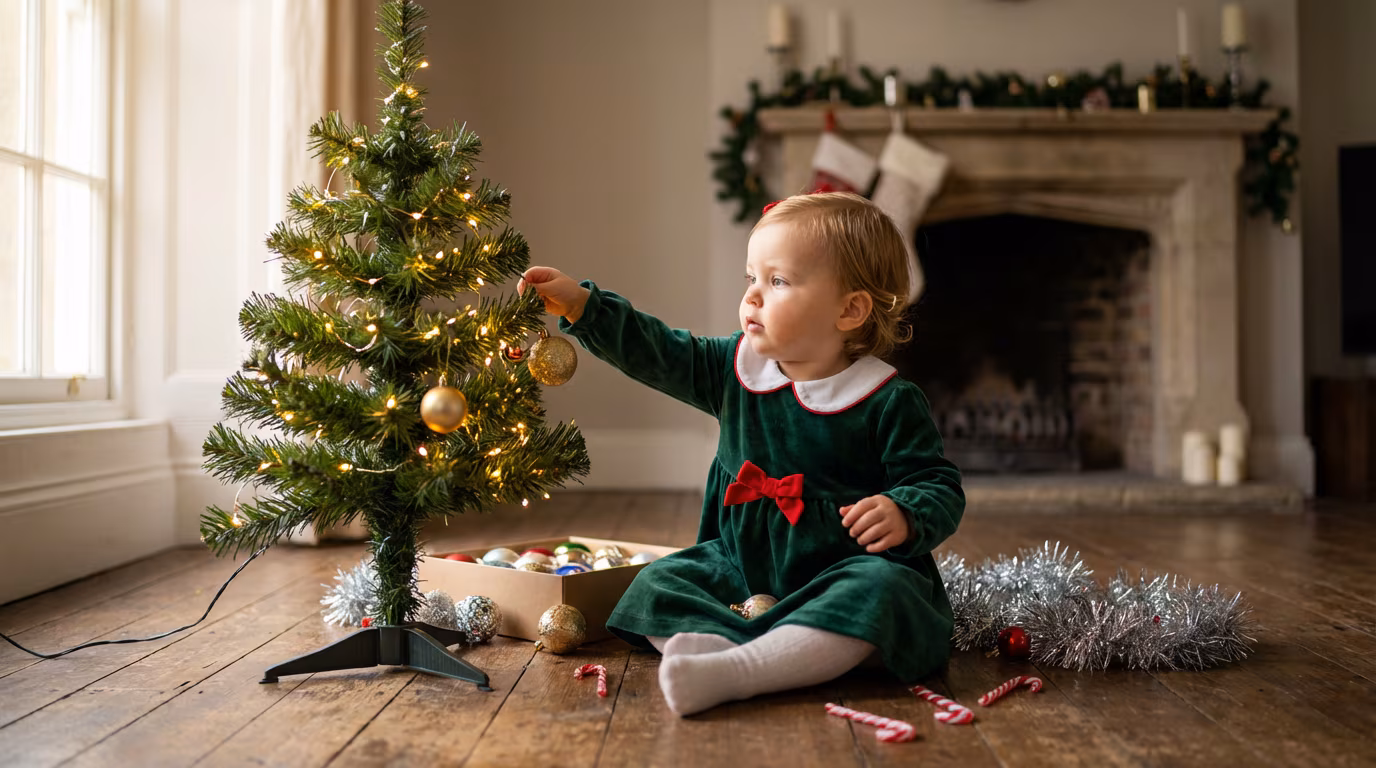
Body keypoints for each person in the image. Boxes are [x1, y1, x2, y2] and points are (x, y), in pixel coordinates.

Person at [518, 191, 965, 716]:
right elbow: (659, 351)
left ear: (849, 310)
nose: (752, 296)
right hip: (739, 567)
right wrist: (584, 307)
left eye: (777, 282)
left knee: (884, 593)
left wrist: (904, 512)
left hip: (841, 569)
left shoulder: (887, 400)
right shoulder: (734, 368)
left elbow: (937, 483)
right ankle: (722, 653)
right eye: (751, 277)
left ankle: (745, 668)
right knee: (658, 583)